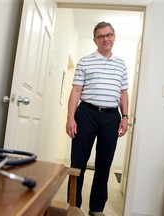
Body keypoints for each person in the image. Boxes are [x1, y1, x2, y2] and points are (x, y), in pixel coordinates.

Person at [66, 21, 129, 216]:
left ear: (114, 36)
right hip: (86, 114)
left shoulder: (121, 64)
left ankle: (97, 208)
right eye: (101, 36)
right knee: (78, 162)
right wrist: (70, 117)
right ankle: (73, 206)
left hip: (111, 117)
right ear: (95, 40)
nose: (105, 39)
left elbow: (123, 93)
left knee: (104, 164)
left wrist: (125, 116)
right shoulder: (85, 61)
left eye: (108, 34)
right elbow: (76, 90)